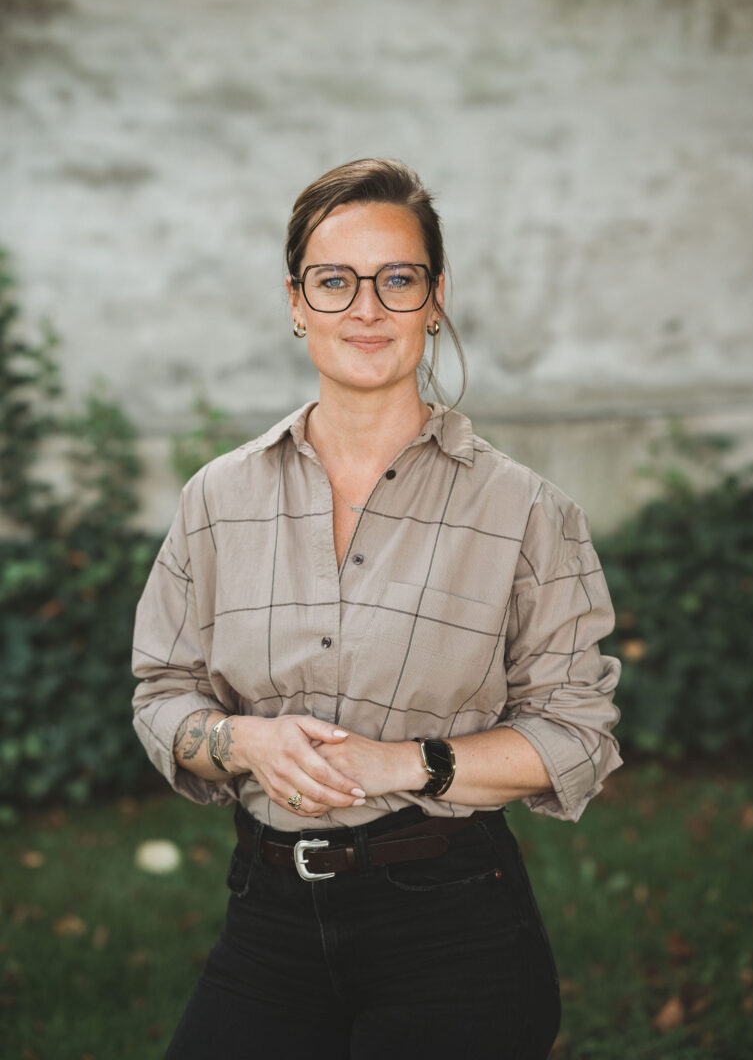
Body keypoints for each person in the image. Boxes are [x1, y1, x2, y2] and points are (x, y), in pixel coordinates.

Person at [132, 158, 622, 1059]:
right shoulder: (217, 500)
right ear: (296, 302)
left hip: (452, 926)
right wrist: (245, 742)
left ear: (435, 299)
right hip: (267, 919)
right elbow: (162, 692)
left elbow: (576, 734)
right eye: (335, 281)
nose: (367, 308)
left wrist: (403, 764)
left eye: (397, 279)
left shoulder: (526, 511)